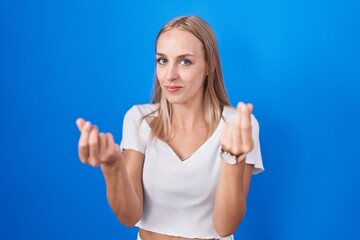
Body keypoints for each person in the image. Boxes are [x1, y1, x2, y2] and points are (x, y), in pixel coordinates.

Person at [76, 16, 264, 240]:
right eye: (162, 60)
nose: (170, 75)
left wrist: (233, 158)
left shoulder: (238, 126)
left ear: (210, 65)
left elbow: (225, 227)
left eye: (185, 61)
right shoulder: (138, 119)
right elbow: (128, 217)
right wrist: (112, 165)